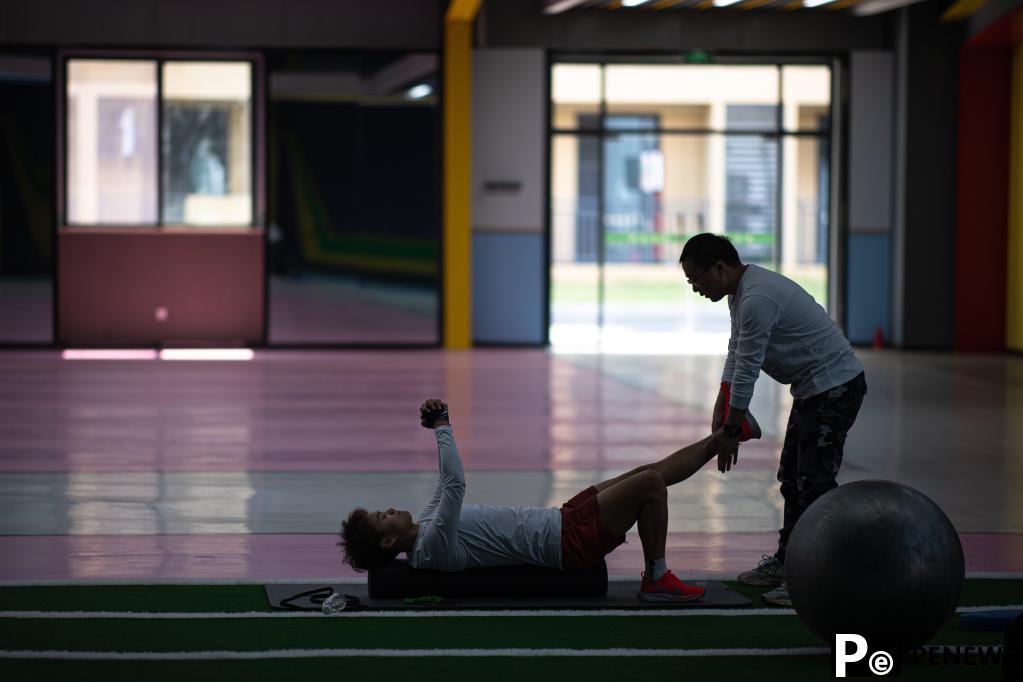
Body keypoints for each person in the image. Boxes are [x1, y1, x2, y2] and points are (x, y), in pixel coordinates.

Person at [338, 398, 761, 603]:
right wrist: (443, 426)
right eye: (382, 517)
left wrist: (436, 426)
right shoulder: (429, 547)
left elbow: (441, 487)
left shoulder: (425, 525)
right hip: (564, 544)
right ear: (388, 543)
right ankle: (657, 578)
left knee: (646, 474)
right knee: (650, 484)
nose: (390, 509)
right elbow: (453, 484)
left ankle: (724, 435)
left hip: (560, 519)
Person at [679, 233, 867, 607]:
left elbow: (749, 367)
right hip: (814, 390)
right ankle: (788, 562)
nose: (695, 289)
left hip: (836, 387)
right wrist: (722, 405)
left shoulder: (757, 297)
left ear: (719, 268)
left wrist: (731, 429)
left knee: (813, 483)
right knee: (792, 480)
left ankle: (818, 575)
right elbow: (737, 351)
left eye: (696, 280)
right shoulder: (741, 293)